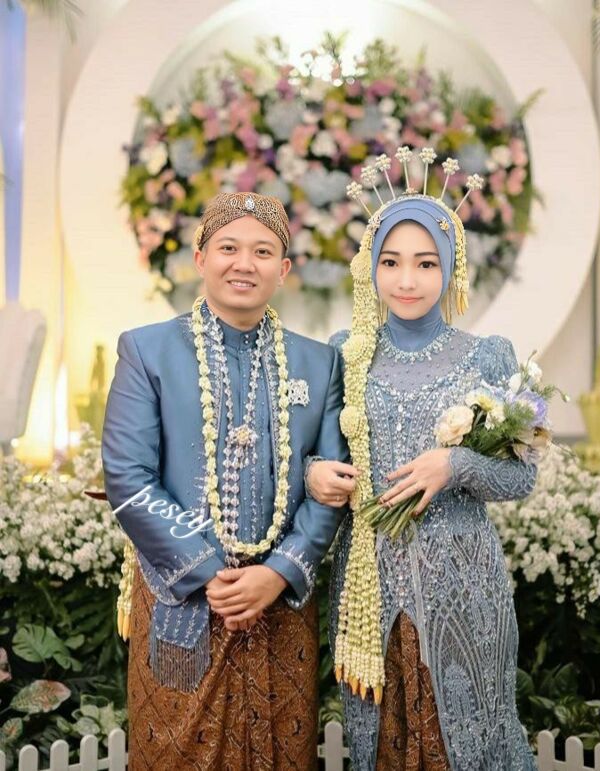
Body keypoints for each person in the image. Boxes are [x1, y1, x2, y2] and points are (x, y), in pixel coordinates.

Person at [102, 191, 352, 770]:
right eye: (229, 248)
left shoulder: (319, 364)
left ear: (283, 270)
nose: (245, 264)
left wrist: (277, 573)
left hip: (279, 607)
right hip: (184, 600)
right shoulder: (147, 350)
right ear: (201, 258)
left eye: (262, 252)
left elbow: (333, 482)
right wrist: (212, 576)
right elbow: (128, 476)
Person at [307, 150, 538, 770]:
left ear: (451, 266)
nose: (406, 280)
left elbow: (522, 474)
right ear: (371, 267)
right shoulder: (347, 353)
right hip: (367, 588)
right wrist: (315, 474)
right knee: (379, 741)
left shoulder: (487, 356)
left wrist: (454, 466)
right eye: (391, 262)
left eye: (425, 263)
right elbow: (317, 454)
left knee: (467, 740)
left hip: (465, 586)